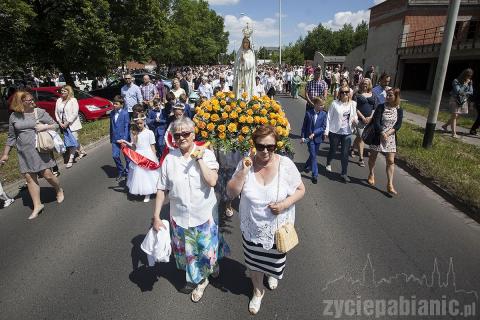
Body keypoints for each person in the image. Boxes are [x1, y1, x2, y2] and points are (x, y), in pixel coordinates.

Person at [226, 125, 305, 315]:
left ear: (276, 145)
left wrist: (285, 204)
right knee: (254, 264)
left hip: (276, 230)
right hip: (252, 227)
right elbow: (230, 192)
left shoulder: (285, 165)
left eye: (271, 147)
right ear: (254, 145)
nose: (265, 151)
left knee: (274, 264)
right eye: (261, 146)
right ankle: (257, 291)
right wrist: (244, 171)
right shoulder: (246, 164)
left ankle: (271, 273)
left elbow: (301, 189)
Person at [153, 117, 227, 303]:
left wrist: (200, 159)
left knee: (205, 249)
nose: (181, 137)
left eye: (185, 133)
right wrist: (156, 216)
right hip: (179, 216)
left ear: (193, 134)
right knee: (189, 252)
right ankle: (197, 277)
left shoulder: (207, 154)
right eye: (177, 135)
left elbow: (212, 181)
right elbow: (162, 188)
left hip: (204, 214)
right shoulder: (170, 159)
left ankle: (206, 275)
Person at [1, 91, 64, 219]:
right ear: (20, 102)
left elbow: (56, 125)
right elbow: (11, 137)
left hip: (39, 150)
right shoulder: (14, 116)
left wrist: (44, 128)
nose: (31, 101)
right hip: (24, 153)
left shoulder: (38, 112)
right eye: (27, 100)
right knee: (29, 178)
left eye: (31, 99)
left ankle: (58, 190)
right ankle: (37, 205)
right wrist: (5, 154)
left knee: (47, 174)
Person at [367, 88, 404, 195]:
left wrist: (388, 134)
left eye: (390, 95)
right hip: (378, 136)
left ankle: (390, 184)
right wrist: (382, 133)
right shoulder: (381, 106)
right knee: (373, 157)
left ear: (396, 97)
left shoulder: (399, 109)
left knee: (391, 161)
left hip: (390, 138)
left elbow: (398, 125)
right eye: (387, 95)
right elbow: (376, 122)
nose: (387, 97)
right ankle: (371, 174)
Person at [118, 112, 159, 203]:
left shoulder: (149, 132)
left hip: (148, 154)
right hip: (138, 155)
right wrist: (124, 142)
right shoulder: (134, 133)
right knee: (139, 175)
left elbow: (152, 146)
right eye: (137, 123)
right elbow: (133, 146)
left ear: (144, 121)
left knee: (148, 174)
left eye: (141, 123)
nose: (139, 125)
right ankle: (143, 191)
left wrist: (155, 157)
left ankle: (148, 193)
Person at [324, 85, 358, 183]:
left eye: (346, 92)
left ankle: (344, 173)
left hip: (347, 132)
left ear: (349, 93)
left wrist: (355, 120)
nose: (344, 94)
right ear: (339, 94)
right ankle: (329, 162)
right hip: (335, 131)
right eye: (342, 92)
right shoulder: (334, 104)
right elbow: (329, 117)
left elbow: (354, 116)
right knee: (333, 150)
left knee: (344, 153)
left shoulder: (353, 104)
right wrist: (326, 131)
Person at [55, 85, 84, 169]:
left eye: (65, 91)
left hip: (72, 124)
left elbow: (75, 113)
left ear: (69, 92)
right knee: (74, 139)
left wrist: (67, 122)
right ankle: (82, 151)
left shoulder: (73, 100)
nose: (62, 92)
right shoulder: (59, 100)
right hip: (63, 125)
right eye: (62, 91)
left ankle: (70, 159)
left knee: (72, 142)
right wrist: (60, 122)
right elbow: (56, 112)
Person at [301, 96, 327, 184]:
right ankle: (315, 175)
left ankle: (307, 165)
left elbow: (323, 127)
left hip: (318, 138)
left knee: (313, 154)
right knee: (314, 155)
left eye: (323, 105)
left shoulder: (324, 114)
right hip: (309, 138)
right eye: (320, 105)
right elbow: (304, 126)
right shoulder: (309, 113)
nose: (322, 106)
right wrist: (303, 137)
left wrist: (315, 133)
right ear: (315, 104)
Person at [442, 68, 474, 138]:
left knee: (457, 116)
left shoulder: (469, 82)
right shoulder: (456, 81)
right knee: (454, 116)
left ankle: (445, 126)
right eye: (467, 75)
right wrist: (465, 85)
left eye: (470, 76)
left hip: (463, 101)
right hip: (455, 99)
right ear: (464, 75)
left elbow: (471, 92)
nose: (468, 77)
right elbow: (458, 91)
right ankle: (454, 133)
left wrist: (469, 86)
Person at [353, 78, 377, 167]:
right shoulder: (357, 94)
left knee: (359, 137)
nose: (364, 85)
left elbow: (375, 107)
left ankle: (352, 148)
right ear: (361, 84)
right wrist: (362, 117)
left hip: (369, 121)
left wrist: (370, 117)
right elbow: (354, 107)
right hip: (360, 120)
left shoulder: (373, 95)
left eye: (366, 83)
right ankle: (361, 158)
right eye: (363, 83)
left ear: (369, 84)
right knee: (361, 137)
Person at [110, 95, 131, 181]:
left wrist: (124, 139)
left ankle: (128, 171)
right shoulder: (112, 113)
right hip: (115, 138)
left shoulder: (125, 113)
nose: (114, 105)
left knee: (127, 157)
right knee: (115, 156)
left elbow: (127, 126)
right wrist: (111, 137)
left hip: (123, 139)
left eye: (116, 104)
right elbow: (111, 126)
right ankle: (120, 170)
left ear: (121, 105)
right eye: (113, 103)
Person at [233, 35, 256, 100]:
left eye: (247, 42)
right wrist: (240, 59)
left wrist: (244, 59)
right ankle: (239, 100)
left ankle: (248, 100)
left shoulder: (251, 52)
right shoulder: (239, 51)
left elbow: (252, 64)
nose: (245, 44)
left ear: (249, 43)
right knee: (240, 88)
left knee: (247, 88)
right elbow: (236, 63)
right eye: (244, 42)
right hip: (240, 74)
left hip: (247, 75)